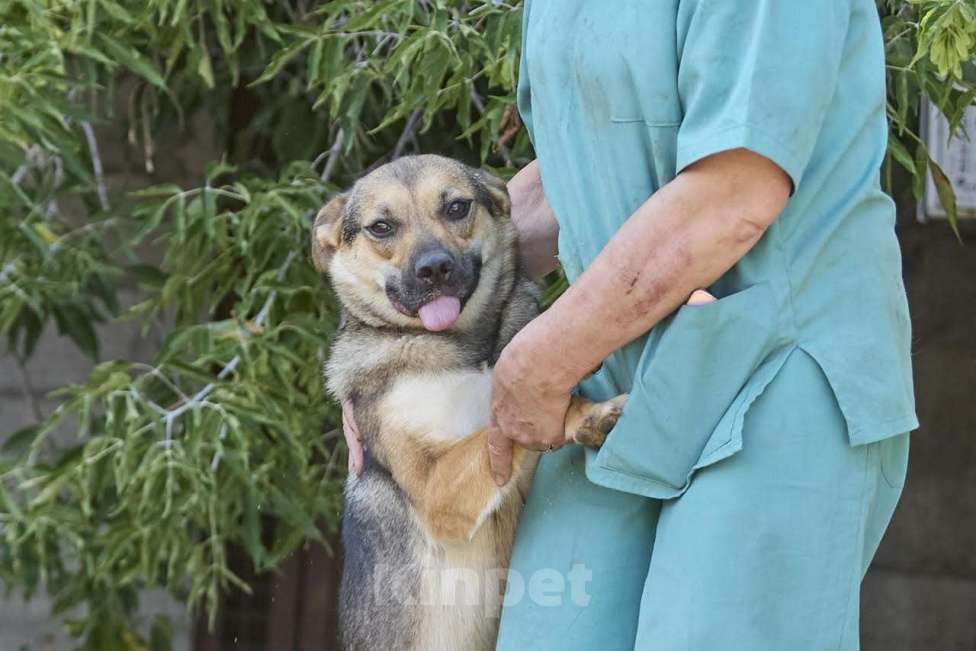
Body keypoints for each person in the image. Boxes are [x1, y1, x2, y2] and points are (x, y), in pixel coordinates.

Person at [345, 1, 918, 648]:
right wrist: (394, 355)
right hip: (614, 377)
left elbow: (733, 194)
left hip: (774, 374)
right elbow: (582, 170)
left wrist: (540, 361)